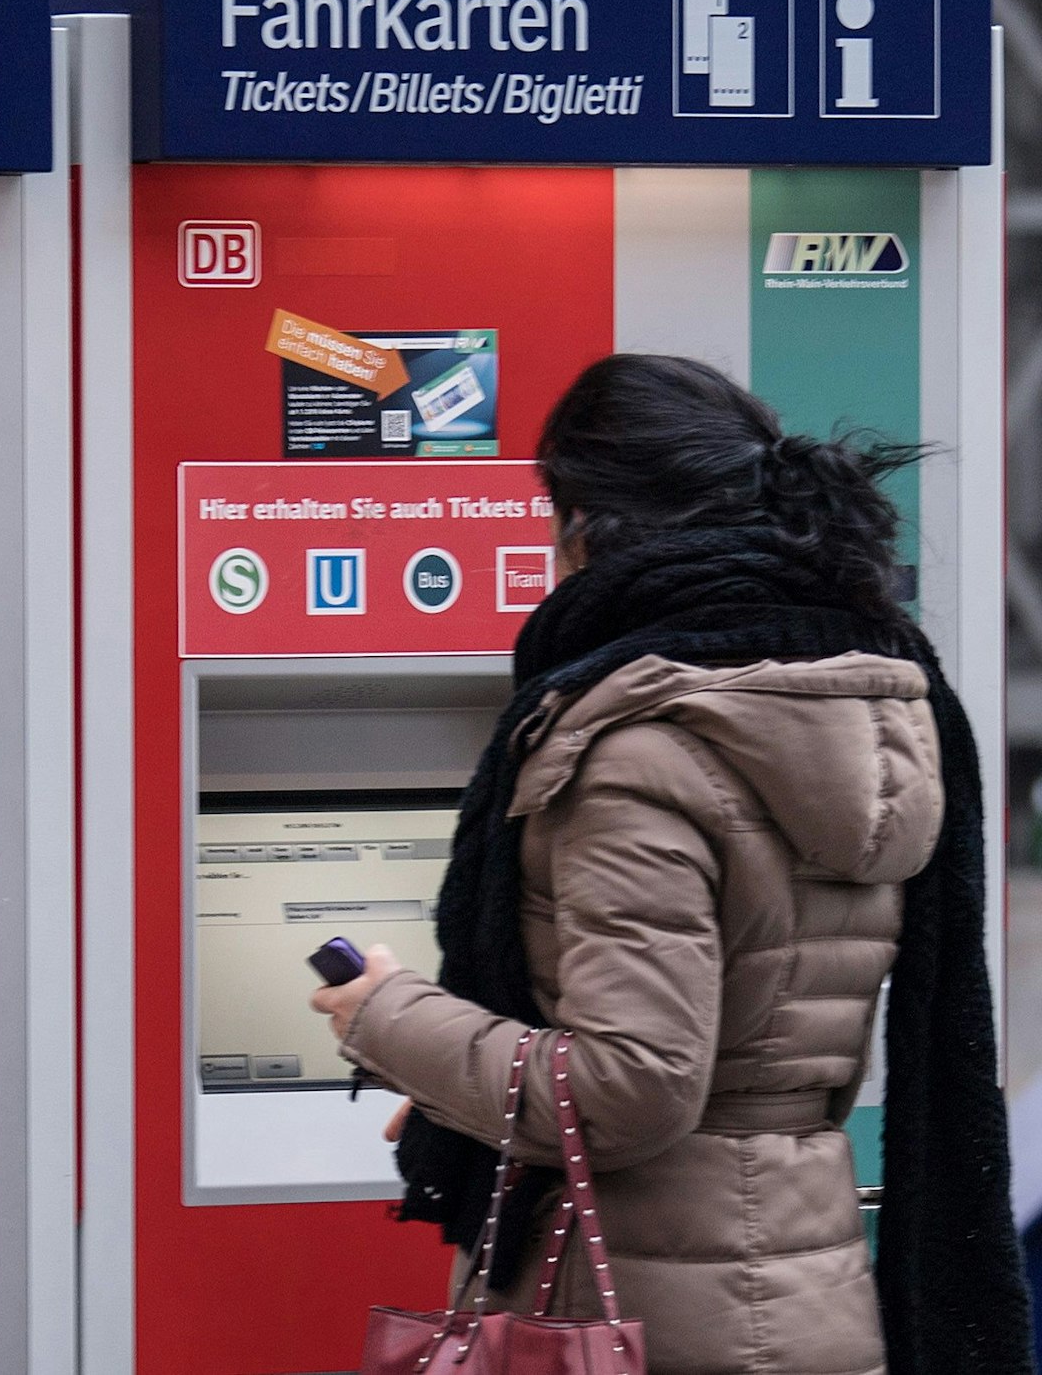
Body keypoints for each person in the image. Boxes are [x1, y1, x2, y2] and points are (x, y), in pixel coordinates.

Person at [310, 354, 1033, 1375]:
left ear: (587, 527)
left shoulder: (642, 750)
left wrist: (384, 1016)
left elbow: (627, 1089)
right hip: (803, 1288)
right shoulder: (868, 711)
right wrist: (463, 1091)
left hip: (645, 1312)